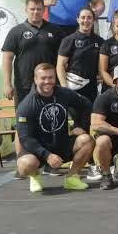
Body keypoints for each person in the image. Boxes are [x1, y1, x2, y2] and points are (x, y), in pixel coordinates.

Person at [15, 63, 95, 193]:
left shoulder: (63, 93)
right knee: (25, 165)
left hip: (61, 145)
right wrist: (47, 155)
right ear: (35, 79)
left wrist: (79, 125)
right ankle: (35, 176)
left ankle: (72, 178)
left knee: (87, 140)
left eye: (50, 77)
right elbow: (26, 139)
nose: (47, 81)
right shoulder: (26, 105)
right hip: (37, 150)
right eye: (43, 78)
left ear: (55, 78)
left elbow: (86, 105)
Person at [2, 0, 60, 106]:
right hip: (24, 85)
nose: (35, 12)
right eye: (32, 9)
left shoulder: (55, 30)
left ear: (43, 10)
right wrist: (7, 83)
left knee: (49, 119)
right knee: (24, 120)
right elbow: (7, 58)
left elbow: (62, 58)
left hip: (49, 84)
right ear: (26, 10)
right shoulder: (15, 31)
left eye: (39, 9)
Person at [57, 7, 104, 103]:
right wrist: (65, 88)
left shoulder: (100, 41)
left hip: (91, 88)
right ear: (78, 19)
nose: (86, 20)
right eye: (83, 17)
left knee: (90, 117)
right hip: (73, 88)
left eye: (89, 18)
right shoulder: (69, 40)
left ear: (93, 20)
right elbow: (60, 65)